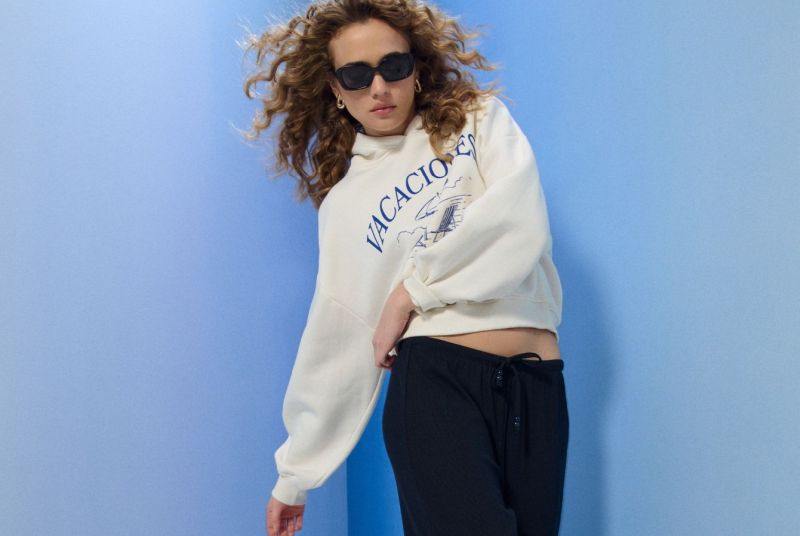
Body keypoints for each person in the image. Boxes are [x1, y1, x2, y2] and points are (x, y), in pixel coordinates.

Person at [241, 1, 569, 534]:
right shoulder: (345, 207)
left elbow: (519, 225)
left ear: (416, 68)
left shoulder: (477, 119)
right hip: (436, 388)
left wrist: (410, 292)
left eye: (393, 66)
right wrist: (294, 475)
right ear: (336, 88)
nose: (379, 87)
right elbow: (338, 337)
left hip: (537, 384)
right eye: (356, 75)